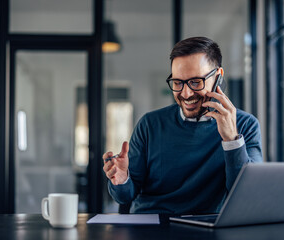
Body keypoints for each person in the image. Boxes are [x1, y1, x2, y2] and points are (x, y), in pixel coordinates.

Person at [103, 36, 262, 214]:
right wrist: (123, 180)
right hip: (152, 225)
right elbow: (125, 197)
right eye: (178, 83)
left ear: (218, 76)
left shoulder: (246, 126)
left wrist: (232, 140)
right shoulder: (150, 125)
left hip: (208, 227)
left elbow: (246, 196)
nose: (185, 93)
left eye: (195, 82)